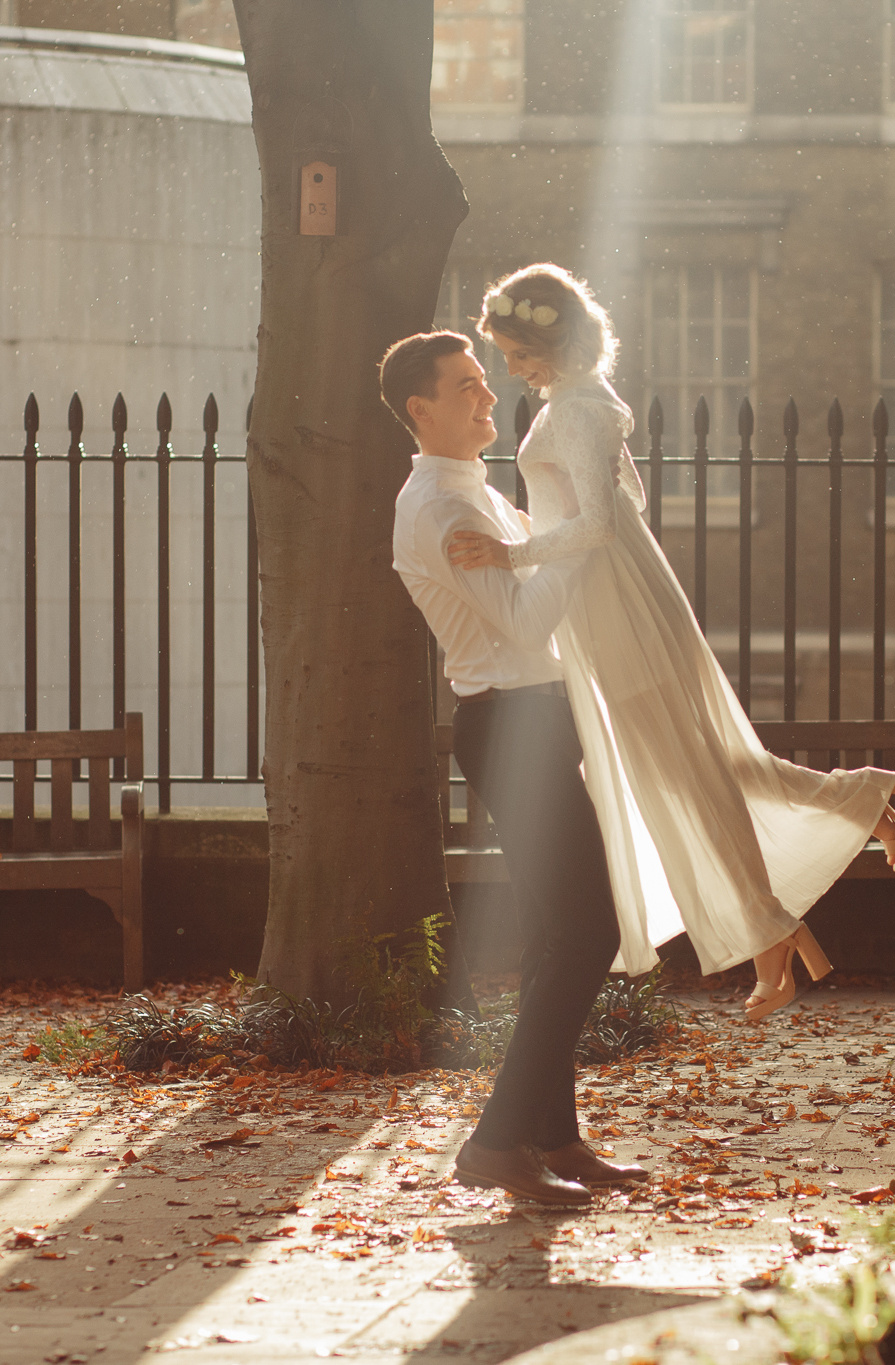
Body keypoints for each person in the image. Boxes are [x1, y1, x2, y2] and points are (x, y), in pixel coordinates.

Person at [447, 264, 895, 1022]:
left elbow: (599, 522)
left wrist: (514, 553)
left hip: (617, 611)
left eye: (517, 353)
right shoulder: (583, 401)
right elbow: (628, 504)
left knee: (685, 772)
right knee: (708, 762)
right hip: (621, 599)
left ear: (553, 340)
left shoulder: (577, 409)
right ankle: (858, 809)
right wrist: (538, 532)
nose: (511, 369)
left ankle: (782, 923)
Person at [382, 329, 648, 1206]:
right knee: (589, 930)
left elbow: (566, 558)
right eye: (465, 386)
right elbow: (529, 620)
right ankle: (496, 1142)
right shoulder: (440, 509)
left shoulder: (477, 493)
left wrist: (588, 514)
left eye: (484, 381)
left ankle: (552, 1136)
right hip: (510, 726)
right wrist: (580, 538)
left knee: (554, 934)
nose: (490, 395)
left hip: (538, 721)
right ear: (420, 409)